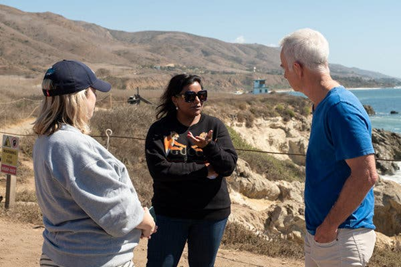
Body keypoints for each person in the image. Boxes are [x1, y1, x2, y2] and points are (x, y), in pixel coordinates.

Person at [33, 60, 156, 267]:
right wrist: (145, 220)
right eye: (93, 91)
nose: (96, 99)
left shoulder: (46, 139)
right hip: (95, 257)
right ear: (80, 97)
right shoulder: (71, 145)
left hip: (61, 252)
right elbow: (116, 212)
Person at [280, 29, 378, 266]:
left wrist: (330, 226)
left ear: (298, 68)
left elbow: (366, 175)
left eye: (283, 67)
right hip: (327, 236)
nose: (283, 74)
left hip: (341, 237)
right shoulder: (323, 104)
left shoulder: (340, 107)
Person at [145, 74, 238, 267]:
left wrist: (209, 147)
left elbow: (228, 166)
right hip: (169, 214)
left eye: (201, 95)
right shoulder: (160, 130)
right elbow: (161, 170)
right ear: (175, 99)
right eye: (190, 96)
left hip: (210, 215)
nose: (197, 101)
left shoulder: (214, 126)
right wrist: (204, 170)